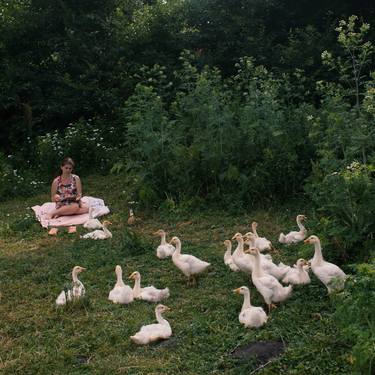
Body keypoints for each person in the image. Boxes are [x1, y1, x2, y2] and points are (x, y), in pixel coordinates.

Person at [48, 157, 89, 234]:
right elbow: (52, 198)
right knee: (75, 207)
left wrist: (77, 198)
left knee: (88, 209)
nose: (68, 170)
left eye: (70, 168)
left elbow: (79, 194)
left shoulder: (76, 178)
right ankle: (53, 213)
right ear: (61, 167)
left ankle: (60, 213)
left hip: (74, 201)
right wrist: (56, 197)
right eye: (66, 168)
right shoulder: (56, 181)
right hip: (62, 203)